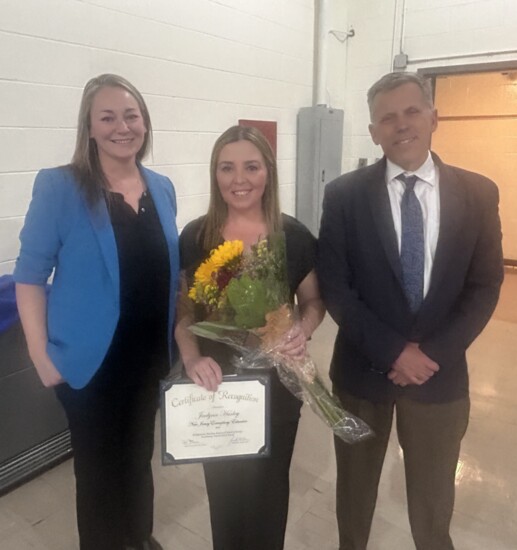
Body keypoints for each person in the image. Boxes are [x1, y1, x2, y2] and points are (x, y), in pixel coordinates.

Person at [317, 72, 504, 550]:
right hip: (360, 377)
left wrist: (431, 353)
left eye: (412, 112)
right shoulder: (343, 196)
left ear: (433, 118)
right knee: (354, 496)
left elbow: (485, 286)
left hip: (439, 378)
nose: (401, 125)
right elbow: (337, 288)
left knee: (433, 500)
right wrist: (394, 351)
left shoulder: (479, 193)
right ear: (373, 131)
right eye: (387, 117)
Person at [14, 74, 179, 550]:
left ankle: (139, 538)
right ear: (89, 128)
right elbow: (29, 277)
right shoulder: (61, 187)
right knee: (98, 471)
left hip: (148, 359)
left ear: (145, 122)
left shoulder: (161, 188)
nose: (121, 127)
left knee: (137, 457)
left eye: (131, 115)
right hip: (89, 365)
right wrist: (41, 356)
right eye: (107, 117)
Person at [175, 125, 325, 550]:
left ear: (268, 173)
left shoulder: (293, 236)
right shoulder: (197, 236)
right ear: (214, 174)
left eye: (251, 167)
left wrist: (303, 329)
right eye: (227, 168)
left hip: (277, 386)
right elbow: (185, 313)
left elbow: (314, 301)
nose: (239, 179)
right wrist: (190, 360)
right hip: (215, 386)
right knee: (224, 496)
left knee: (270, 493)